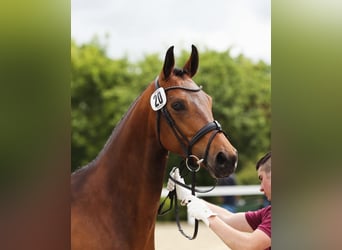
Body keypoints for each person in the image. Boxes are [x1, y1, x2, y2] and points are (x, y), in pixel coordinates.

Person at [168, 152, 271, 250]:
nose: (261, 188)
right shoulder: (269, 212)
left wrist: (208, 216)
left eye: (261, 178)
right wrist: (189, 197)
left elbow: (248, 245)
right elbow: (229, 218)